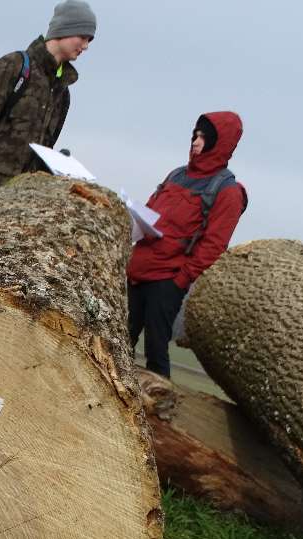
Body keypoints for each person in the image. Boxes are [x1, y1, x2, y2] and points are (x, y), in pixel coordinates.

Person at [127, 111, 247, 377]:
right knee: (117, 341)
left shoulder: (227, 191)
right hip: (137, 270)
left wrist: (180, 281)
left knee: (155, 353)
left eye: (204, 137)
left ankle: (157, 414)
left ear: (221, 143)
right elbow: (149, 211)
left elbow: (214, 246)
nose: (195, 141)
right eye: (195, 134)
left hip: (167, 280)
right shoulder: (176, 175)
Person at [0, 1, 96, 199]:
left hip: (19, 203)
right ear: (63, 30)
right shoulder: (14, 66)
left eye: (90, 40)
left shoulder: (63, 93)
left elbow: (44, 149)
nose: (86, 46)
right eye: (83, 37)